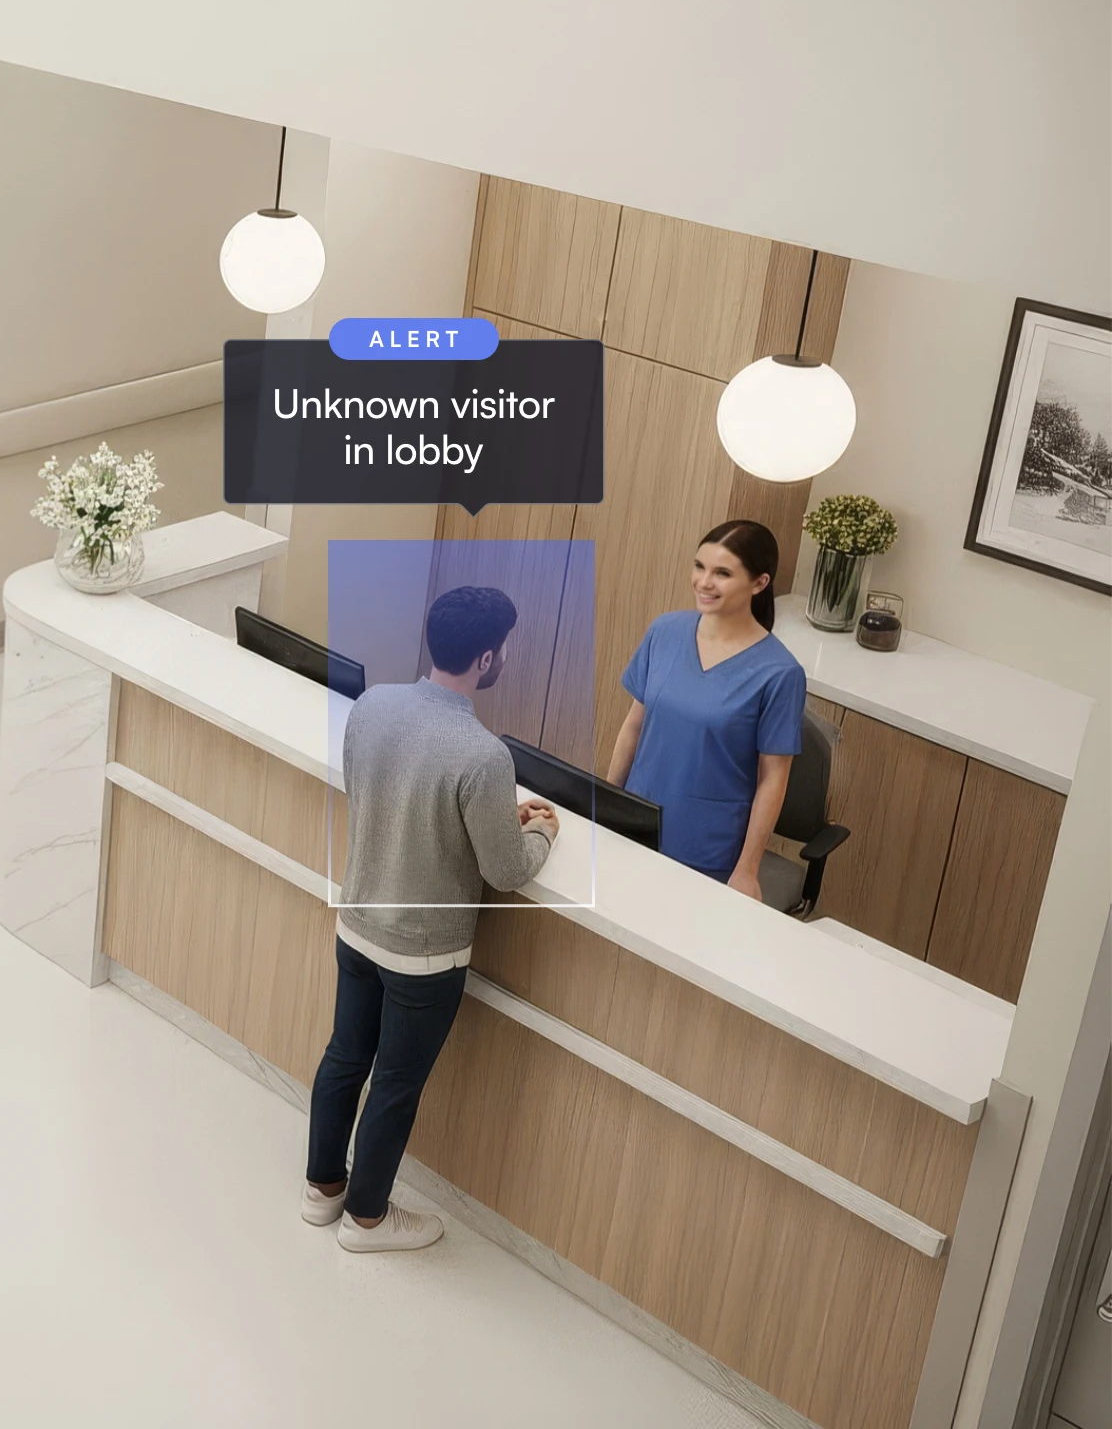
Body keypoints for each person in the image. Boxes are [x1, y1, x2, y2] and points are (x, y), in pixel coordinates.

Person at [305, 585, 558, 1252]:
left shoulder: (372, 705)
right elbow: (506, 870)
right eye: (505, 648)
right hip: (422, 956)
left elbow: (391, 795)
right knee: (394, 1084)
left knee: (344, 1056)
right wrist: (539, 834)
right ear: (487, 658)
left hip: (359, 921)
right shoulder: (484, 754)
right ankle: (366, 1220)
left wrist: (489, 815)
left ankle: (322, 1190)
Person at [604, 519, 807, 900]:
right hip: (634, 821)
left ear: (759, 583)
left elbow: (773, 779)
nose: (704, 582)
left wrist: (747, 869)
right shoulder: (665, 632)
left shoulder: (780, 674)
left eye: (722, 573)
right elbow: (634, 725)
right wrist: (604, 800)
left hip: (706, 848)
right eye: (700, 566)